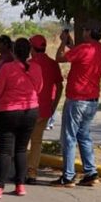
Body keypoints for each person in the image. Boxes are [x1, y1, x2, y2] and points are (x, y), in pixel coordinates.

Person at [52, 25, 101, 187]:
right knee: (84, 136)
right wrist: (71, 44)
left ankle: (68, 176)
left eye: (85, 29)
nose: (83, 32)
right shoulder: (100, 49)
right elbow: (81, 55)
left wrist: (63, 42)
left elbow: (59, 57)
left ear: (89, 31)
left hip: (77, 98)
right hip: (92, 98)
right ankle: (91, 172)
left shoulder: (83, 48)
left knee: (69, 137)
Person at [0, 38, 43, 199]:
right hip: (30, 111)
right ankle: (20, 186)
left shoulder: (7, 68)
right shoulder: (36, 68)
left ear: (13, 51)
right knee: (21, 149)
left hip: (8, 112)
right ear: (29, 51)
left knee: (5, 151)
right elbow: (39, 88)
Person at [26, 35, 63, 184]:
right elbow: (60, 86)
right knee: (37, 142)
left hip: (28, 109)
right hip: (45, 109)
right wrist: (54, 105)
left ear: (31, 48)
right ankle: (32, 173)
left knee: (22, 142)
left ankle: (21, 171)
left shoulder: (28, 64)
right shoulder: (53, 64)